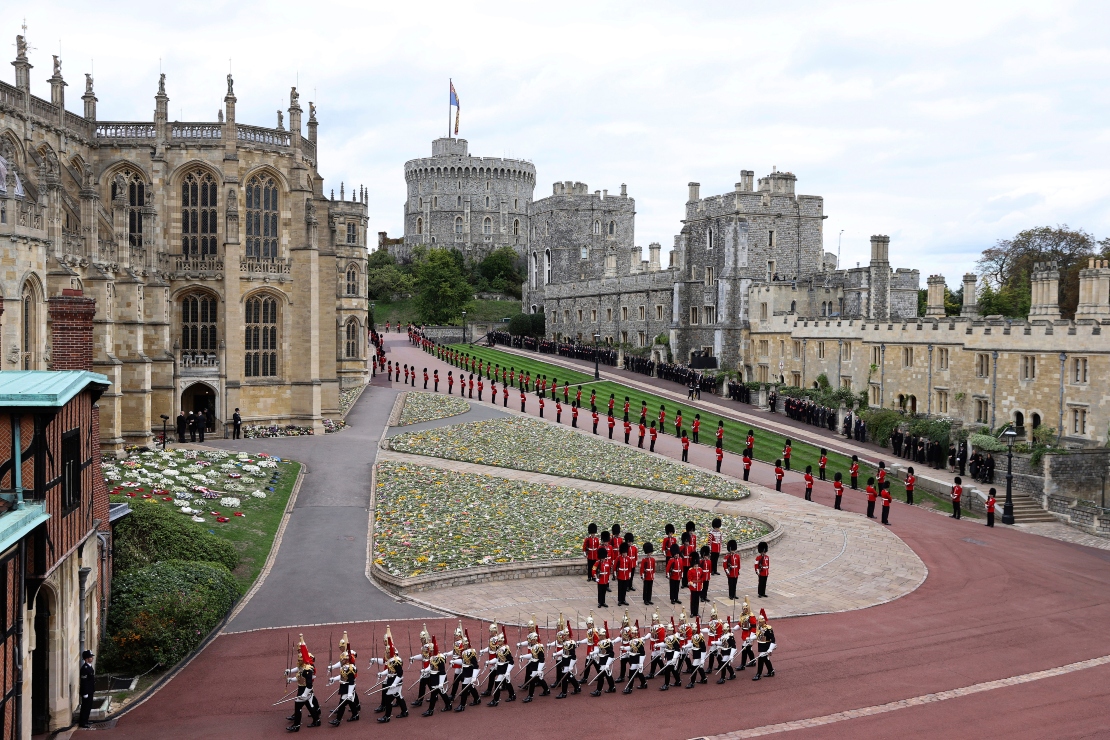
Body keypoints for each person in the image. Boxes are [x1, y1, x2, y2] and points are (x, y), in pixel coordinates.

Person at [285, 635, 322, 731]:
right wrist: (291, 676)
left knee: (299, 706)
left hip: (305, 689)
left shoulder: (307, 668)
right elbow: (299, 676)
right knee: (309, 705)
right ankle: (316, 719)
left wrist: (304, 694)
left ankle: (297, 725)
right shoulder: (302, 665)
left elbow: (309, 683)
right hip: (302, 687)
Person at [327, 632, 360, 725]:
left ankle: (338, 720)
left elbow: (351, 682)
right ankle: (355, 714)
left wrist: (349, 692)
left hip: (348, 685)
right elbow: (342, 676)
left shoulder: (349, 666)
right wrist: (334, 678)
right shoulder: (345, 663)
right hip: (344, 683)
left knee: (343, 702)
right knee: (350, 700)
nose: (342, 660)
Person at [751, 609, 776, 681]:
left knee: (761, 658)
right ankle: (771, 671)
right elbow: (758, 635)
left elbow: (773, 639)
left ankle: (758, 674)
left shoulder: (768, 629)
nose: (759, 623)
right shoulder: (759, 627)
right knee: (765, 658)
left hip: (766, 645)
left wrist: (770, 649)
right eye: (759, 622)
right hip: (760, 644)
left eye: (760, 622)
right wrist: (751, 639)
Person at [79, 649, 96, 728]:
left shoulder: (89, 667)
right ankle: (83, 722)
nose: (92, 658)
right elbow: (84, 682)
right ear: (86, 659)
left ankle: (86, 720)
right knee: (85, 707)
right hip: (87, 691)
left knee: (89, 706)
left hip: (90, 690)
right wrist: (85, 693)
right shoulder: (84, 669)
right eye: (90, 657)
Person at [686, 552, 703, 617]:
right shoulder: (690, 570)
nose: (696, 567)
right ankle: (692, 612)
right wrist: (692, 584)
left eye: (697, 566)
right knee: (693, 600)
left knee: (697, 600)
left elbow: (701, 578)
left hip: (698, 586)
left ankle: (696, 612)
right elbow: (689, 579)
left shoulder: (700, 570)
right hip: (693, 587)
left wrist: (701, 585)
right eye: (695, 566)